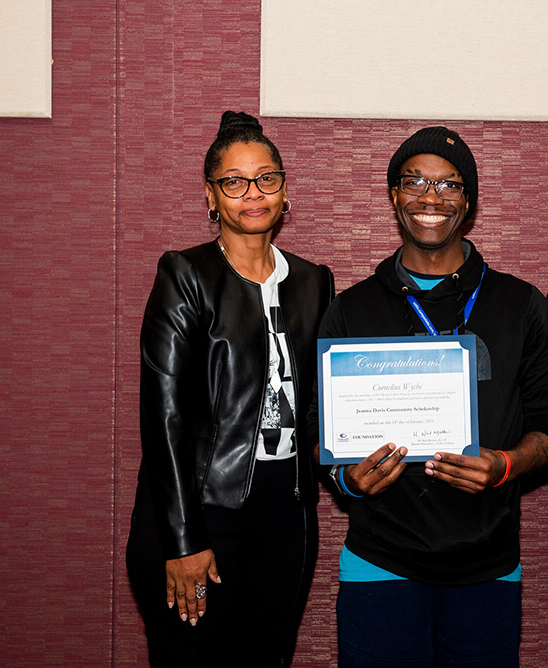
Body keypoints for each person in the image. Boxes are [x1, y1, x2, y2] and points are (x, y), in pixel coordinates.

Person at [311, 126, 548, 668]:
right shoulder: (350, 309)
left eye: (449, 185)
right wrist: (346, 479)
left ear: (469, 201)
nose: (430, 197)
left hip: (488, 566)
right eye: (414, 181)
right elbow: (320, 432)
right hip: (378, 564)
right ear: (393, 195)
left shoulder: (521, 305)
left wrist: (507, 464)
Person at [126, 111, 333, 667]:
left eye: (266, 178)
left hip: (286, 512)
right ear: (212, 195)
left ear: (285, 189)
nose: (252, 193)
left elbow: (317, 404)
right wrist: (183, 539)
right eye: (234, 182)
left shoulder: (315, 281)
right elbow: (164, 418)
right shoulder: (185, 275)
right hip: (202, 506)